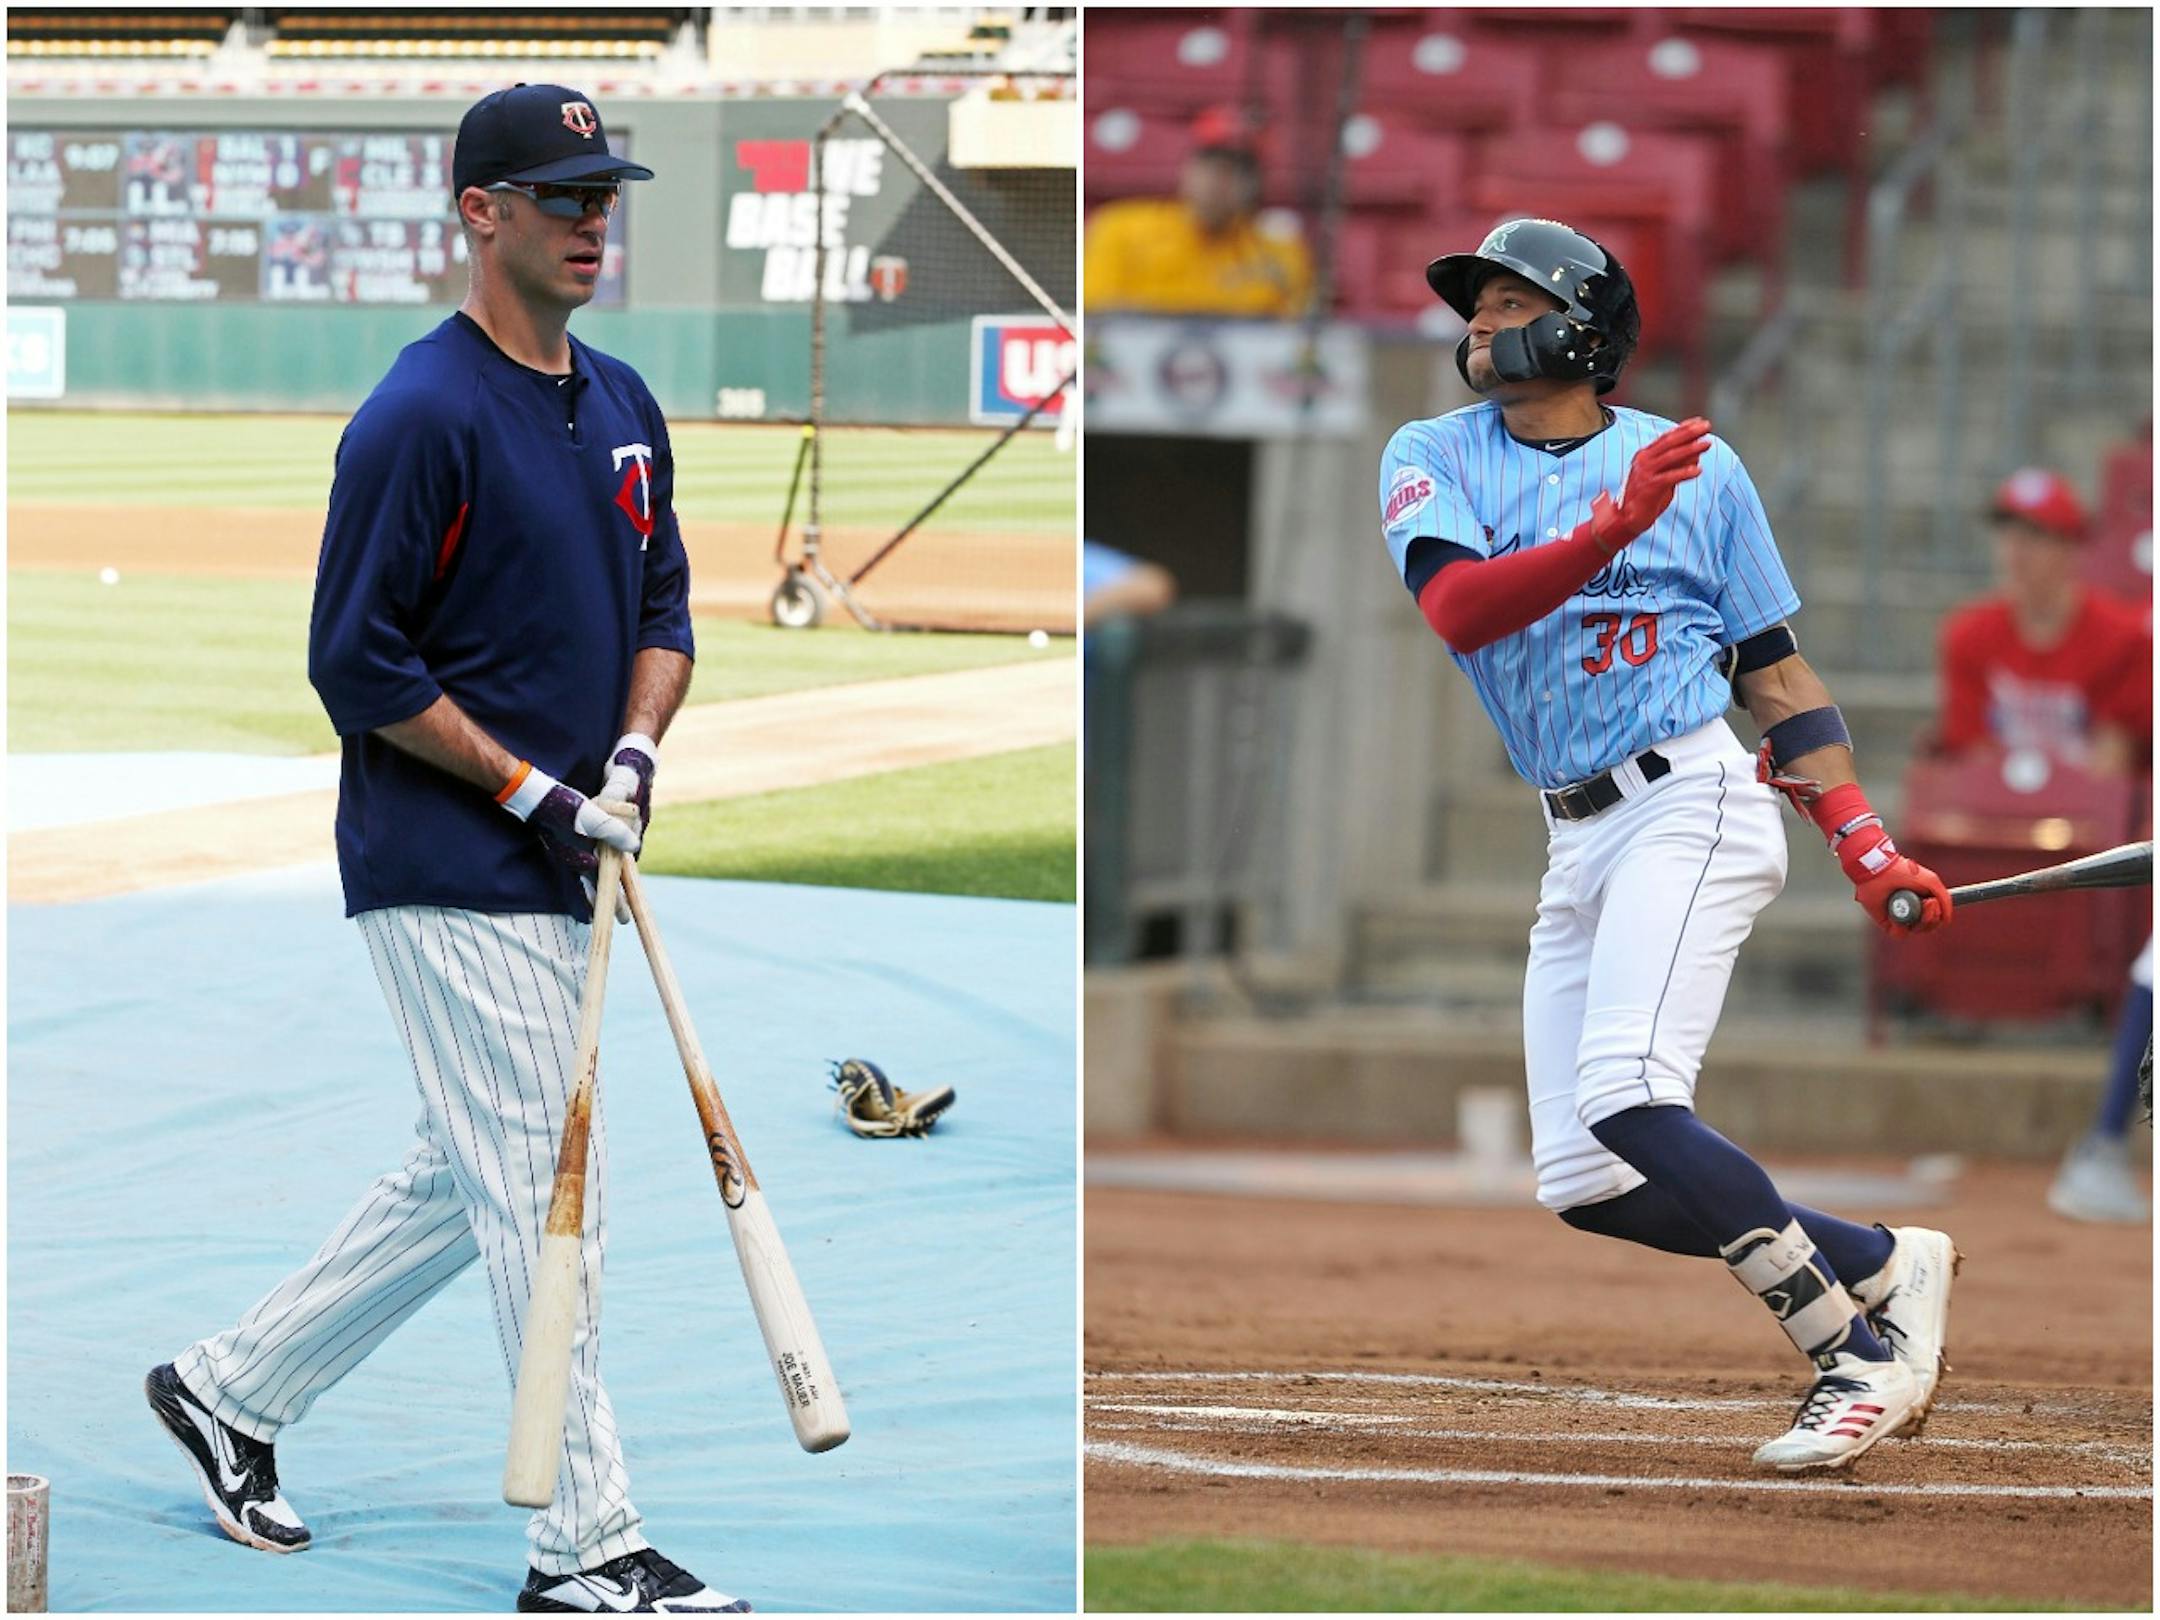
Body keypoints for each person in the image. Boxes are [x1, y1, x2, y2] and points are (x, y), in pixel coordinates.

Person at [142, 84, 746, 1613]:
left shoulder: (622, 405)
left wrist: (631, 750)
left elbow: (667, 613)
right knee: (553, 1180)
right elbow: (357, 663)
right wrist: (535, 791)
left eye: (605, 194)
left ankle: (231, 1390)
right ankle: (585, 1546)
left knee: (471, 1165)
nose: (593, 221)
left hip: (572, 846)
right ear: (481, 213)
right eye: (562, 196)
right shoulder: (419, 414)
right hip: (443, 855)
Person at [1379, 218, 1961, 1473]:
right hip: (1574, 829)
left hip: (1686, 799)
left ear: (1581, 327)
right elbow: (1460, 611)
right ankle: (1882, 1263)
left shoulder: (1696, 466)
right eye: (1470, 306)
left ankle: (1852, 1360)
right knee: (1587, 1181)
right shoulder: (1433, 454)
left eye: (1503, 301)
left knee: (1631, 1096)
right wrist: (1605, 528)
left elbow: (1776, 673)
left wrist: (1864, 845)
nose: (1475, 324)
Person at [1934, 469, 2154, 1222]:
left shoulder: (2121, 635)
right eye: (2010, 533)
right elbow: (1966, 757)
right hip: (2008, 827)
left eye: (2037, 536)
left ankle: (2106, 1145)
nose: (2018, 552)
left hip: (2097, 834)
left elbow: (2114, 767)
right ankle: (2103, 1146)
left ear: (2071, 549)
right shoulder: (1971, 633)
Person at [1082, 105, 1313, 319]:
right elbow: (1097, 313)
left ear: (1256, 182)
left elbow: (1296, 329)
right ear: (1188, 168)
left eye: (1239, 169)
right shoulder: (1122, 226)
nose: (1221, 181)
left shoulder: (1278, 248)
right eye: (1212, 166)